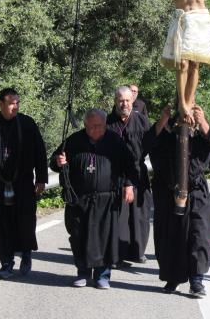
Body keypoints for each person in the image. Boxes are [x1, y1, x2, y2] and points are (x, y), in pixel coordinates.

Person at [50, 109, 137, 289]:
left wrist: (129, 184)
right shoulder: (74, 141)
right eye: (90, 126)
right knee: (78, 236)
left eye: (98, 126)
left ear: (105, 125)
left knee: (105, 238)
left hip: (107, 199)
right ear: (85, 125)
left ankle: (102, 276)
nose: (94, 130)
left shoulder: (115, 141)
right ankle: (83, 272)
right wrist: (59, 162)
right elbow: (55, 162)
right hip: (79, 198)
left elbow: (130, 165)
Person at [0, 88, 48, 279]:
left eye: (17, 102)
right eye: (11, 103)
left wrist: (40, 178)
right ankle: (6, 263)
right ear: (1, 104)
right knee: (2, 223)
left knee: (25, 221)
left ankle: (26, 254)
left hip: (23, 182)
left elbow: (40, 152)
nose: (16, 106)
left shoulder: (27, 124)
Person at [149, 104, 210, 296]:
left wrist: (202, 121)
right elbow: (147, 141)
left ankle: (196, 280)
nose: (184, 123)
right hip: (169, 195)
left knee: (199, 236)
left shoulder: (199, 141)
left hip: (196, 194)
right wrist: (162, 119)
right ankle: (172, 278)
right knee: (171, 237)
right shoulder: (166, 140)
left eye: (188, 120)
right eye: (181, 119)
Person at [106, 86, 153, 266]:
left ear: (132, 100)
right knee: (119, 217)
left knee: (140, 215)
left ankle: (137, 252)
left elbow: (152, 147)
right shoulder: (107, 122)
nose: (124, 104)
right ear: (115, 102)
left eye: (127, 100)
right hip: (114, 175)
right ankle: (116, 255)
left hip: (138, 174)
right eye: (120, 100)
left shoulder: (142, 121)